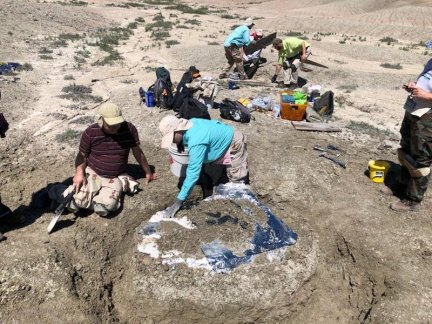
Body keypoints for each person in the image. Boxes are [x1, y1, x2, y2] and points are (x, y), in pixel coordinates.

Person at [48, 102, 159, 217]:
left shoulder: (129, 129)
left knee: (105, 207)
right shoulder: (91, 133)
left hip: (115, 176)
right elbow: (81, 156)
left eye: (118, 123)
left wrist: (148, 172)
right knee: (75, 202)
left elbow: (137, 152)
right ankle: (54, 190)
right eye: (111, 125)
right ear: (101, 120)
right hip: (94, 172)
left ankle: (84, 201)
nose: (116, 128)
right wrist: (79, 173)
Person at [158, 115, 249, 218]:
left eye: (172, 138)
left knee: (236, 179)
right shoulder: (190, 123)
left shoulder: (197, 140)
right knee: (212, 175)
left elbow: (193, 174)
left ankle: (240, 208)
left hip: (234, 142)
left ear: (178, 130)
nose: (172, 142)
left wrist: (177, 203)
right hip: (220, 136)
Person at [390, 58, 432, 212]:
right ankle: (402, 185)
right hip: (414, 109)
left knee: (421, 156)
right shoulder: (430, 61)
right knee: (406, 148)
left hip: (428, 117)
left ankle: (413, 199)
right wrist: (414, 87)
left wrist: (426, 96)